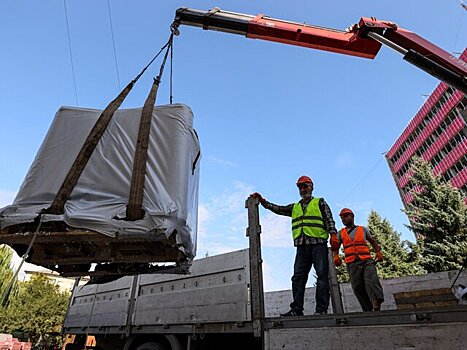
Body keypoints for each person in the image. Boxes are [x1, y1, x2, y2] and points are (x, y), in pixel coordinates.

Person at [251, 175, 337, 316]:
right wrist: (263, 201)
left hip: (318, 245)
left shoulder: (320, 202)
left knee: (322, 276)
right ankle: (296, 310)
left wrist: (333, 234)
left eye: (305, 186)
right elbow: (278, 209)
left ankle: (321, 310)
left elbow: (329, 219)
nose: (303, 189)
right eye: (300, 187)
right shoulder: (295, 207)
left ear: (312, 187)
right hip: (302, 247)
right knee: (297, 278)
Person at [331, 208, 384, 311]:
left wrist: (378, 252)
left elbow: (372, 241)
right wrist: (336, 256)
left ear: (352, 216)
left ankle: (376, 308)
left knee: (372, 283)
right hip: (352, 263)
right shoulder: (341, 233)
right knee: (357, 287)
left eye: (346, 216)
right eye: (342, 218)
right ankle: (367, 309)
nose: (344, 219)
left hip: (366, 261)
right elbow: (336, 246)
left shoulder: (363, 229)